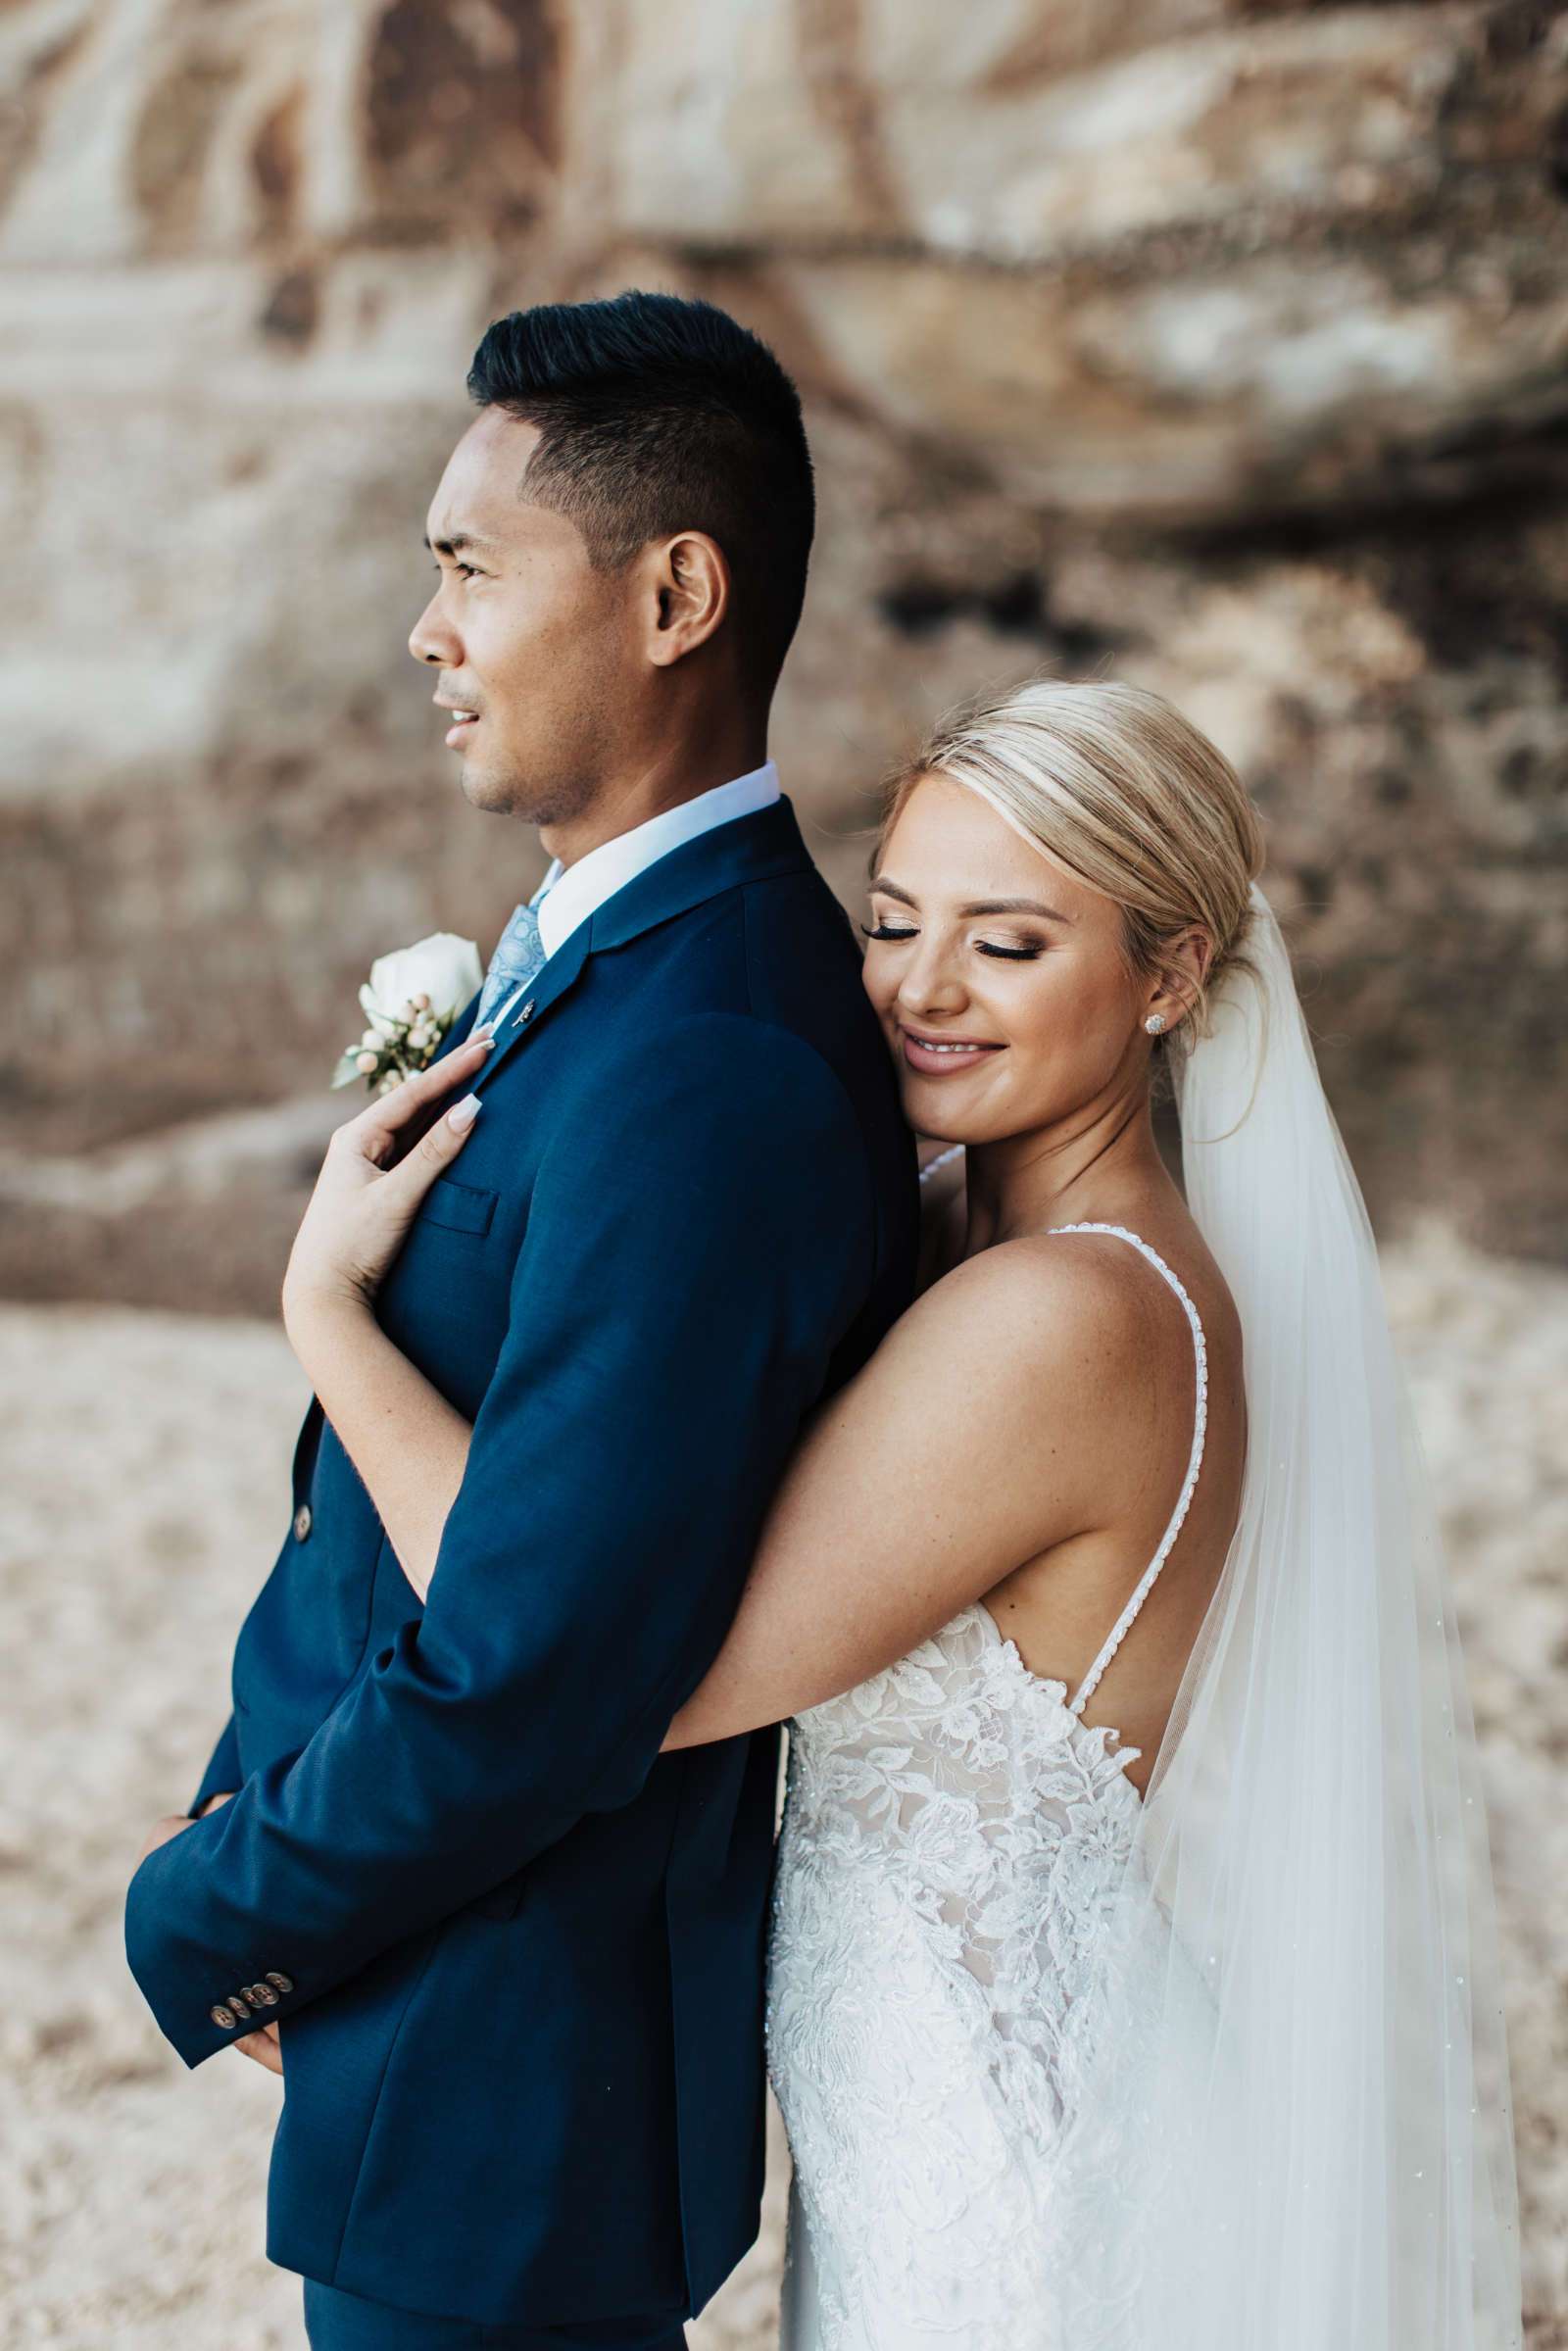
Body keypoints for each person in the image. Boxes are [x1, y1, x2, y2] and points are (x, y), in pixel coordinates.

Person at [279, 677, 1523, 2350]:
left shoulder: (1072, 1319)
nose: (923, 991)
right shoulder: (943, 1220)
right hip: (896, 2125)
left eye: (1008, 945)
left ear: (1170, 979)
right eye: (889, 922)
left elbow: (610, 1669)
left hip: (1010, 2178)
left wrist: (335, 1329)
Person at [123, 291, 919, 2351]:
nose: (427, 633)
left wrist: (218, 1912)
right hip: (424, 1994)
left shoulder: (713, 1055)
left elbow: (547, 1663)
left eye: (469, 569)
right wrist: (253, 1782)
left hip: (512, 2079)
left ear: (673, 595)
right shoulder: (607, 960)